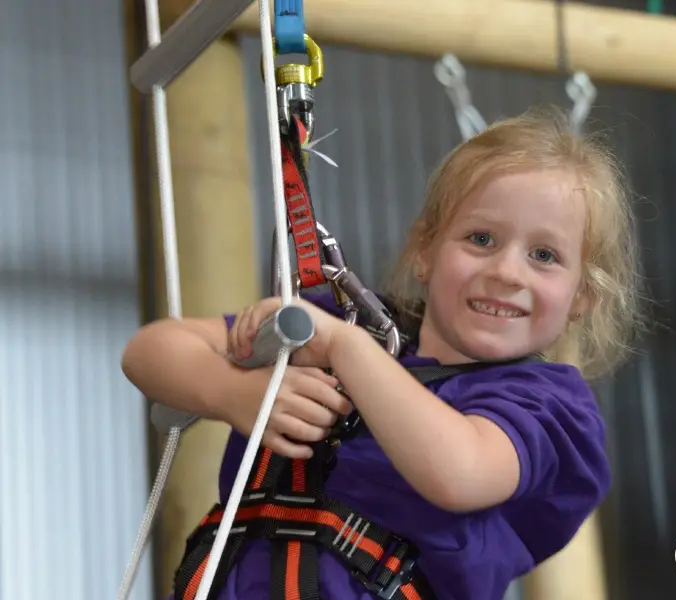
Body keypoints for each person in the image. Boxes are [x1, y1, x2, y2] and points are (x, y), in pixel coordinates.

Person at [121, 106, 641, 600]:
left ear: (582, 296)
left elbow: (459, 471)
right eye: (480, 238)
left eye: (544, 256)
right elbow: (150, 351)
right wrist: (237, 393)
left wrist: (343, 348)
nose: (507, 272)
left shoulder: (547, 407)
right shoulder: (341, 321)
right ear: (424, 251)